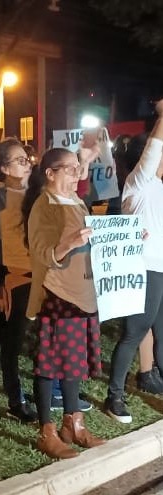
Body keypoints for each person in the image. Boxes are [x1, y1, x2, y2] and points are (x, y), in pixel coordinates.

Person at [25, 147, 106, 459]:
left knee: (74, 362)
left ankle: (73, 423)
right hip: (57, 295)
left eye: (78, 168)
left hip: (82, 295)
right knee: (50, 364)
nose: (78, 174)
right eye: (71, 169)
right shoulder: (43, 205)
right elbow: (42, 252)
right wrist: (68, 243)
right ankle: (47, 430)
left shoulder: (76, 201)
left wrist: (122, 238)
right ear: (50, 173)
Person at [108, 101, 163, 423]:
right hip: (144, 268)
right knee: (133, 332)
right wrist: (161, 118)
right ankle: (115, 395)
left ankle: (148, 378)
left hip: (160, 267)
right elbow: (154, 148)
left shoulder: (157, 187)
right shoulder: (140, 183)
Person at [0, 139, 38, 423]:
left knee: (40, 337)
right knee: (13, 341)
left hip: (41, 276)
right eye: (19, 160)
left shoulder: (37, 194)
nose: (27, 163)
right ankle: (15, 400)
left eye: (26, 159)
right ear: (4, 168)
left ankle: (49, 390)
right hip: (15, 280)